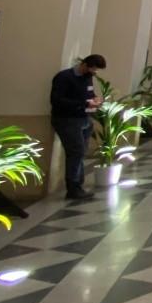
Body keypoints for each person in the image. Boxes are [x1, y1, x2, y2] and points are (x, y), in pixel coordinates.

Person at [50, 54, 106, 200]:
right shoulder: (64, 77)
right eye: (93, 69)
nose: (95, 73)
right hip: (67, 119)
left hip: (84, 119)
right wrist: (84, 103)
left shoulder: (87, 77)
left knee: (81, 151)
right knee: (76, 151)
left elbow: (89, 93)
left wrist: (95, 99)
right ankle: (73, 187)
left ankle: (78, 185)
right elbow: (57, 100)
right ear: (85, 65)